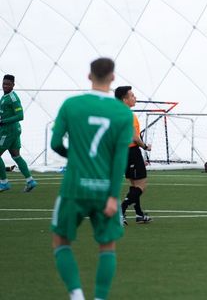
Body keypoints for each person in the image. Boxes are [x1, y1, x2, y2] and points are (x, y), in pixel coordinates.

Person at [50, 58, 133, 300]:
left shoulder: (71, 105)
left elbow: (55, 143)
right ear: (113, 77)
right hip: (104, 191)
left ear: (89, 76)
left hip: (74, 188)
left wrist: (74, 155)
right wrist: (113, 196)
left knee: (61, 242)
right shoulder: (122, 113)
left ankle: (76, 295)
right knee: (107, 246)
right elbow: (119, 159)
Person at [115, 86, 152, 226]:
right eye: (132, 96)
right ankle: (121, 210)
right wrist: (145, 147)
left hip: (122, 152)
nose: (135, 98)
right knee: (141, 185)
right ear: (125, 100)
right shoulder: (128, 115)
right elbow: (134, 137)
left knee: (135, 185)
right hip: (131, 151)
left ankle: (139, 214)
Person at [0, 74, 37, 192]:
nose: (5, 86)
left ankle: (4, 183)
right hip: (13, 130)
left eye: (8, 84)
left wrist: (3, 121)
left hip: (8, 131)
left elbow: (20, 116)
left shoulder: (13, 98)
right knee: (16, 155)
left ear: (13, 85)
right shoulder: (5, 96)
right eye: (4, 83)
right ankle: (30, 181)